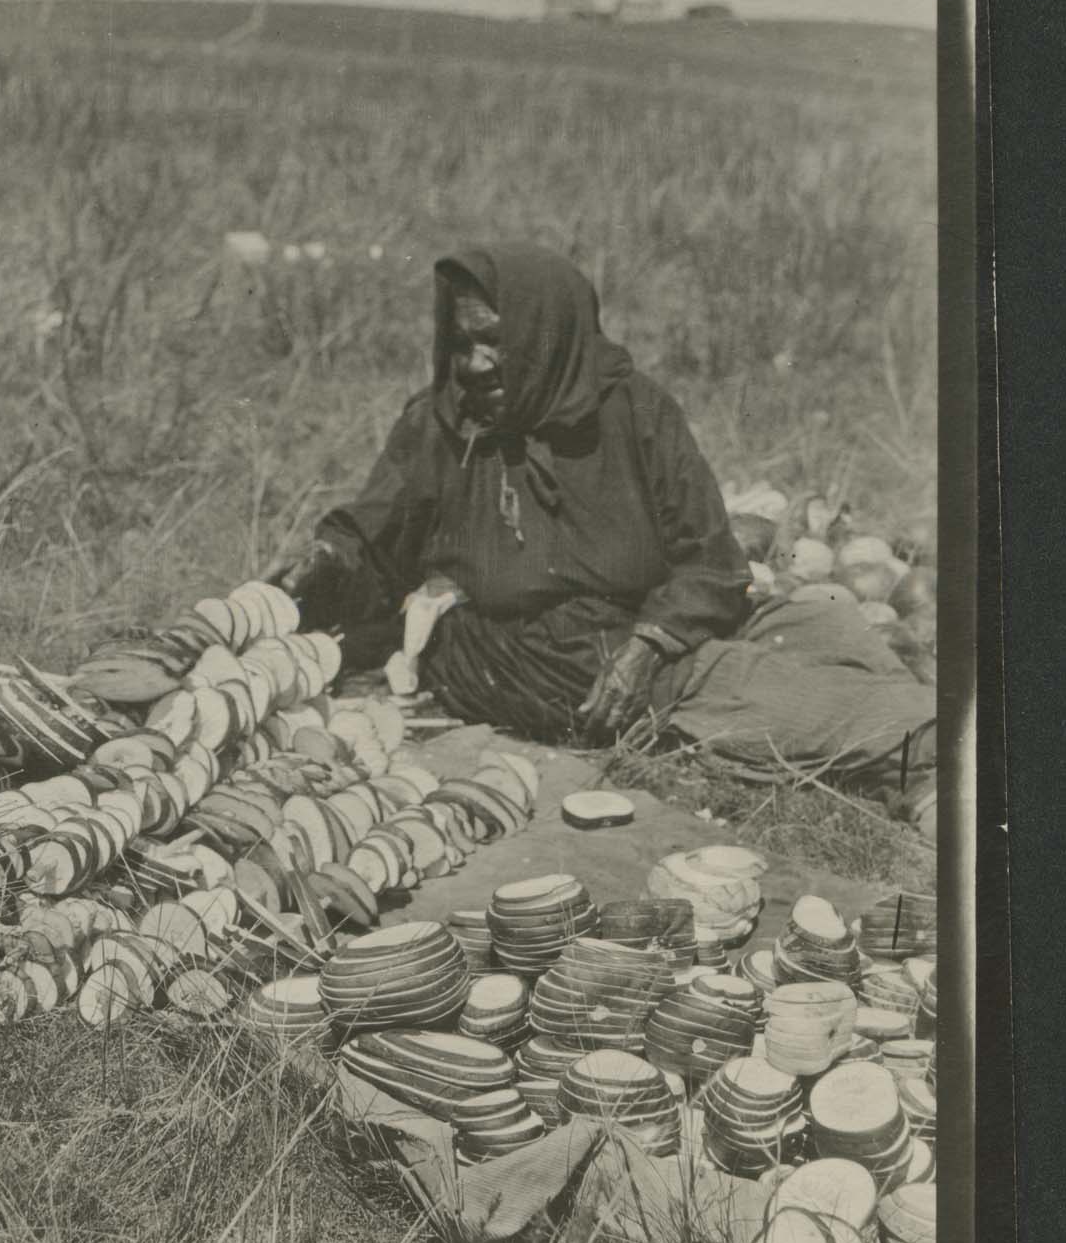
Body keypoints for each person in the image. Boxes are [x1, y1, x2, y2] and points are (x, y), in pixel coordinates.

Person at [269, 244, 937, 835]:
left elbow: (712, 560)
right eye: (460, 342)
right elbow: (371, 545)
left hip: (654, 633)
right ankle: (913, 760)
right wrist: (325, 564)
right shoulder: (442, 425)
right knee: (909, 720)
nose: (472, 363)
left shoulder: (635, 410)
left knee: (833, 623)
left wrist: (651, 639)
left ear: (546, 335)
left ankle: (901, 771)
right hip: (562, 655)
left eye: (493, 341)